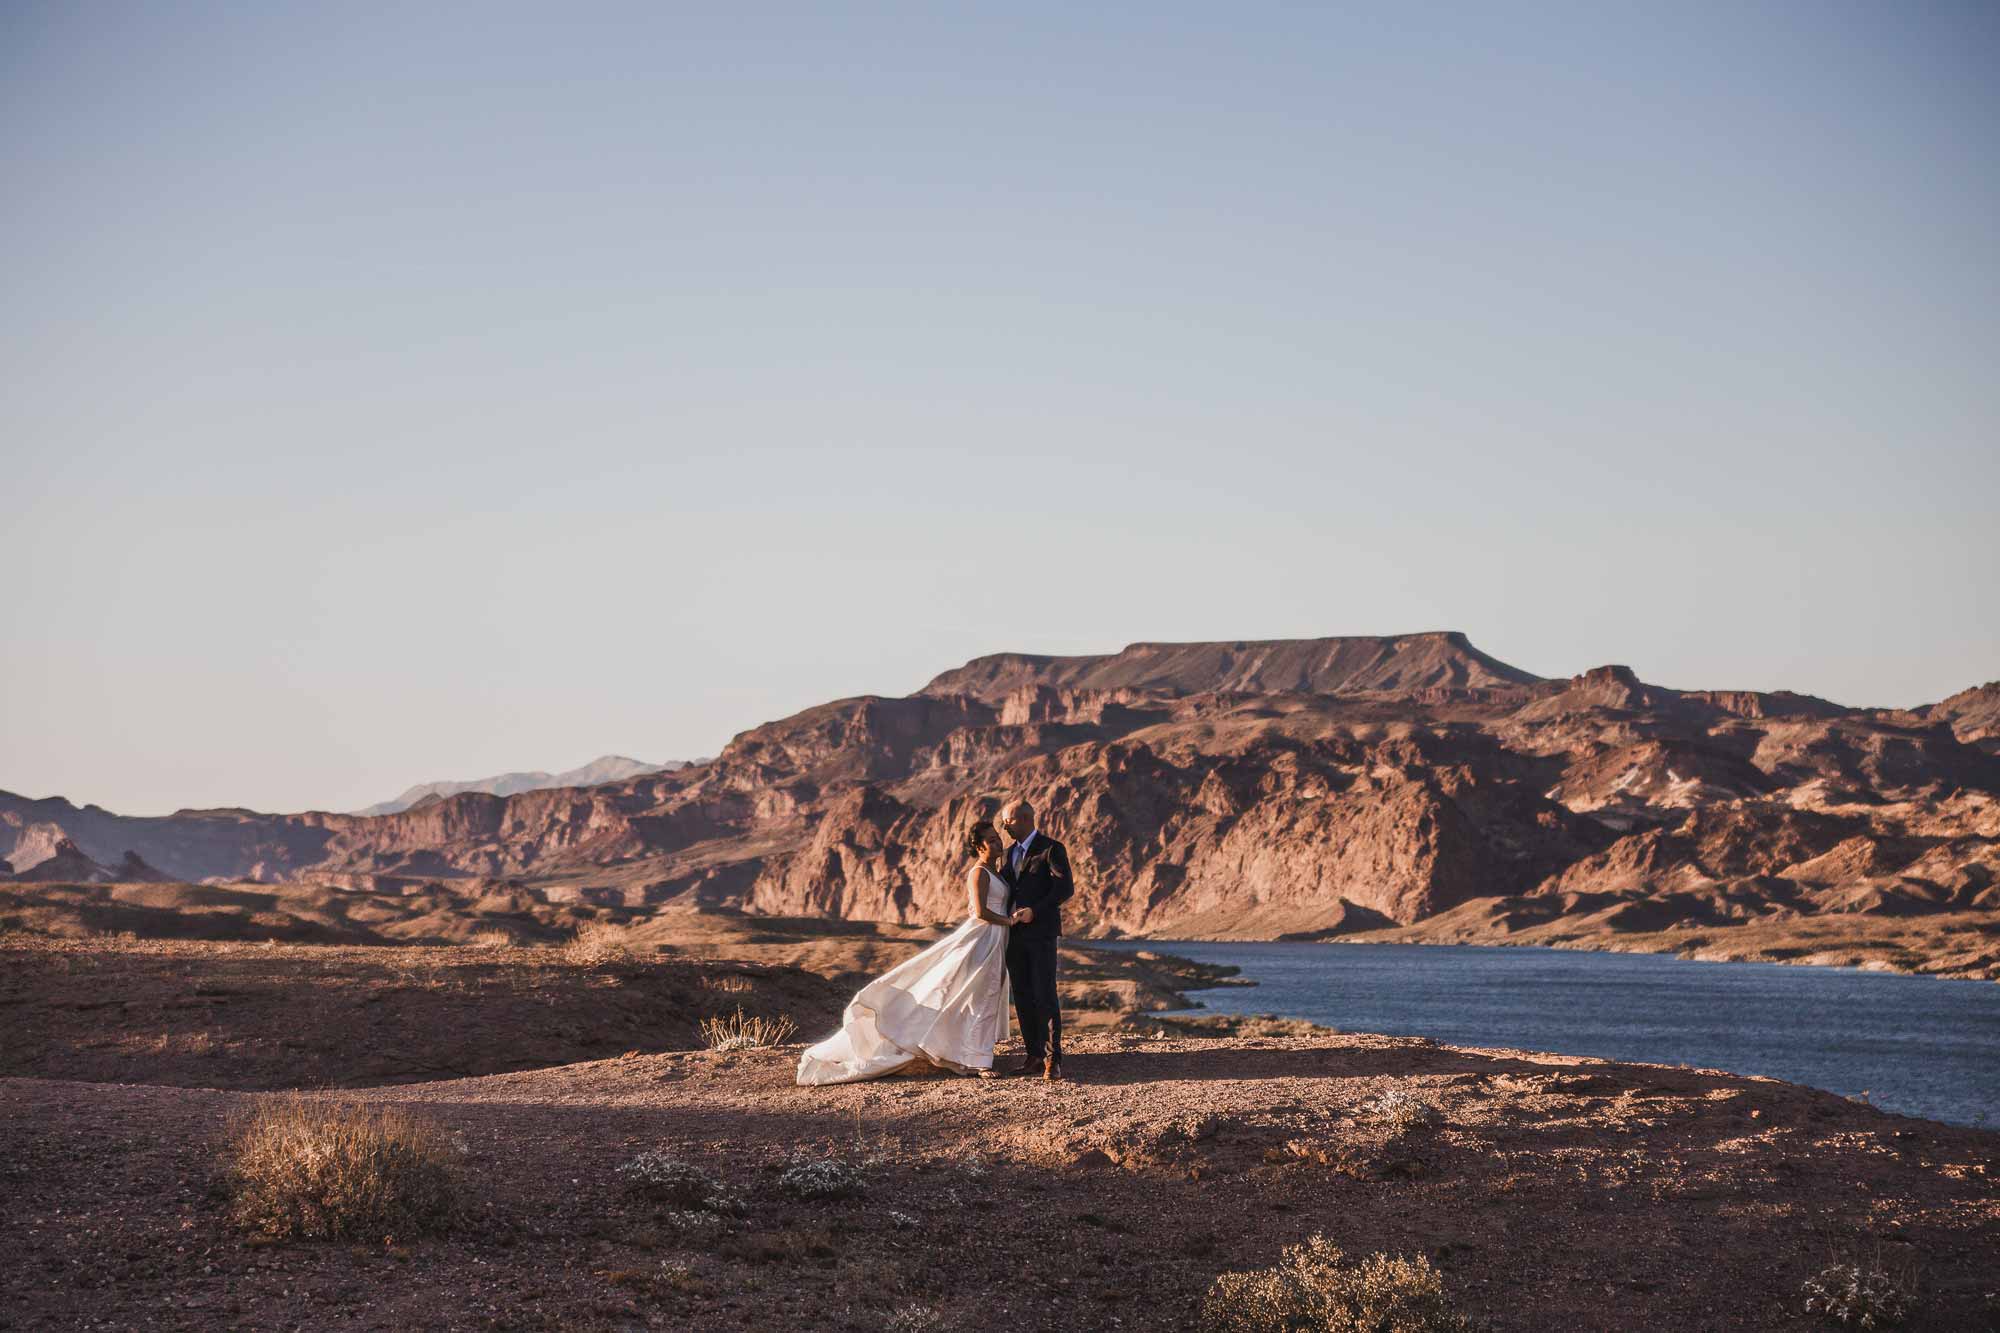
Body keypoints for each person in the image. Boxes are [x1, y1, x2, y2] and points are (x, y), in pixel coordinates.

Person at [795, 820, 1015, 1085]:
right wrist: (1010, 921)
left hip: (995, 938)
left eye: (997, 838)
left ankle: (970, 1051)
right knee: (978, 995)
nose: (998, 842)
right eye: (990, 840)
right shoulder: (978, 873)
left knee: (983, 995)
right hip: (982, 939)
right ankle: (978, 1061)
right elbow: (980, 912)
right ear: (979, 847)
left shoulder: (997, 871)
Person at [995, 798, 1074, 1081]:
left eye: (1008, 820)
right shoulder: (1005, 855)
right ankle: (1033, 1056)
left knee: (1045, 994)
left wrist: (1035, 911)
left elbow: (1064, 888)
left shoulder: (1051, 849)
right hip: (1013, 936)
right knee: (1023, 996)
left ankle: (1054, 1060)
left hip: (1041, 934)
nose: (1004, 825)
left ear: (1025, 819)